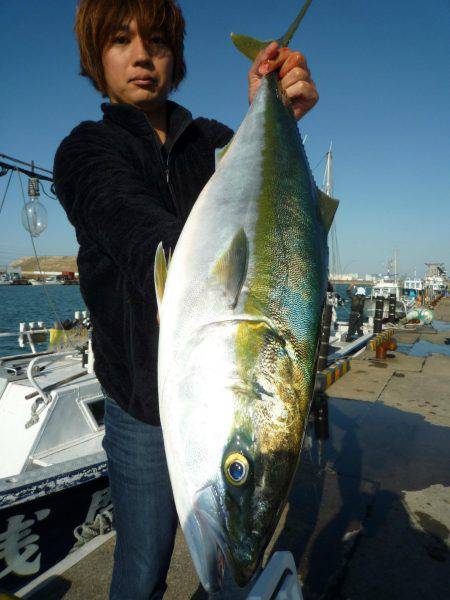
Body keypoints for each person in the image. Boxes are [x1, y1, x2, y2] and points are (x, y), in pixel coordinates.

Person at [53, 1, 319, 598]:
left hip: (212, 404)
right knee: (142, 566)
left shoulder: (220, 144)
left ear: (176, 58)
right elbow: (131, 225)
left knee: (224, 564)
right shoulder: (85, 150)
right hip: (140, 406)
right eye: (121, 40)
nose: (143, 56)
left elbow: (276, 219)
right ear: (97, 59)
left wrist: (275, 114)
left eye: (159, 43)